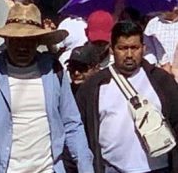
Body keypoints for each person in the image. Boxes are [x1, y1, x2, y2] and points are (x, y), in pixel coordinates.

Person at [0, 3, 93, 173]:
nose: (22, 47)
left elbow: (72, 123)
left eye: (29, 40)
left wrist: (85, 166)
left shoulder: (53, 72)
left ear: (38, 41)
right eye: (16, 40)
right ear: (6, 40)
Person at [75, 21, 178, 173]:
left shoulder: (162, 81)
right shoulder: (94, 87)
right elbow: (78, 130)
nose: (129, 54)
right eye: (122, 48)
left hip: (159, 168)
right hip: (112, 168)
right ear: (112, 50)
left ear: (144, 48)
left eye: (134, 48)